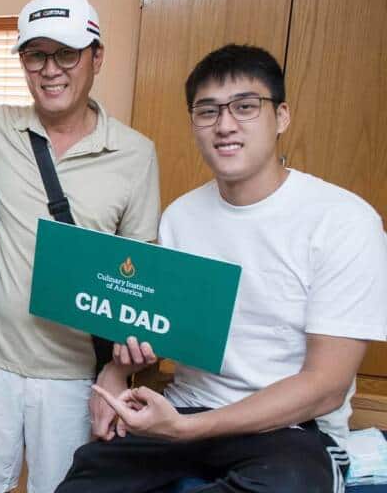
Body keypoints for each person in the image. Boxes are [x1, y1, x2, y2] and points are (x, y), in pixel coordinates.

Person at [56, 44, 387, 493]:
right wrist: (121, 370)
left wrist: (189, 429)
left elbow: (326, 386)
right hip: (186, 409)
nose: (225, 125)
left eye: (246, 107)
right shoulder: (180, 217)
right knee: (87, 473)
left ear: (282, 116)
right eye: (207, 111)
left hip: (290, 432)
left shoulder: (343, 220)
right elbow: (161, 343)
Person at [0, 0, 161, 492]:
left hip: (75, 376)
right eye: (36, 55)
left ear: (97, 57)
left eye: (66, 53)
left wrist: (117, 371)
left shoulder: (135, 154)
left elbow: (141, 281)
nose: (51, 70)